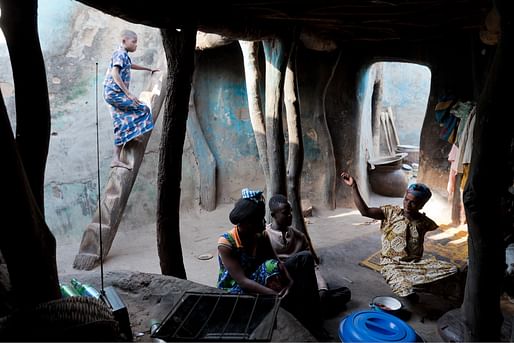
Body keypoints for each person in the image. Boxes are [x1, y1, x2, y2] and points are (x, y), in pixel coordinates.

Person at [217, 188, 329, 340]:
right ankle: (289, 310)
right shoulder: (226, 243)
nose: (264, 223)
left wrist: (289, 281)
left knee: (301, 259)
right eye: (259, 220)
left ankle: (313, 323)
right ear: (247, 223)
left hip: (259, 278)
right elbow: (242, 280)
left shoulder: (260, 235)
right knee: (271, 271)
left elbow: (276, 260)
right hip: (236, 289)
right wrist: (273, 294)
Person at [341, 171, 458, 302]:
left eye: (413, 202)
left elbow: (438, 233)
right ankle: (413, 287)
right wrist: (353, 186)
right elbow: (365, 211)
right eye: (406, 200)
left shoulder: (425, 223)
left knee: (453, 270)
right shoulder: (390, 213)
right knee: (403, 286)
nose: (407, 204)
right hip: (392, 265)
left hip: (414, 264)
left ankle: (417, 284)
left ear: (421, 205)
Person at [265, 194, 351, 317]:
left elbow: (313, 267)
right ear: (273, 215)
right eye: (285, 213)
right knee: (305, 257)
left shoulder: (299, 236)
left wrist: (322, 288)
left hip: (303, 280)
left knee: (344, 292)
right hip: (282, 281)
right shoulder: (265, 237)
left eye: (291, 212)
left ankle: (310, 305)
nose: (290, 216)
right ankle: (313, 311)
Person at [103, 29, 159, 169]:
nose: (136, 45)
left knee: (120, 122)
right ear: (124, 41)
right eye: (134, 42)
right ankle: (133, 134)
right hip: (114, 93)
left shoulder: (124, 56)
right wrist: (128, 93)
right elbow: (115, 72)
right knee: (143, 109)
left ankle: (116, 159)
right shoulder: (120, 54)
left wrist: (148, 69)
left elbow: (129, 65)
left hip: (112, 94)